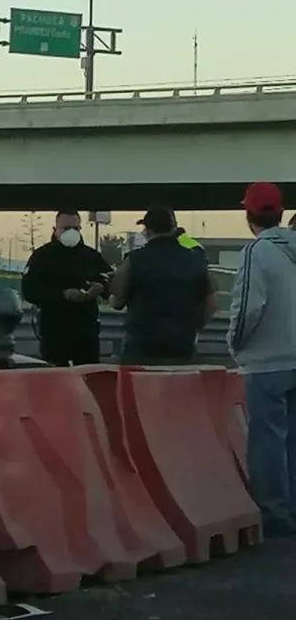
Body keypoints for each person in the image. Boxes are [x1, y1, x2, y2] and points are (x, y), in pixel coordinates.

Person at [227, 181, 296, 537]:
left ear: (249, 214)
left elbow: (247, 309)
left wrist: (235, 345)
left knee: (267, 440)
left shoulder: (257, 253)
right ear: (280, 212)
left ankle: (275, 514)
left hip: (267, 362)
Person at [109, 206, 216, 364]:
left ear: (147, 230)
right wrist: (194, 327)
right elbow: (211, 304)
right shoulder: (195, 260)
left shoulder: (133, 260)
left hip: (141, 348)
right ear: (174, 228)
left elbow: (117, 300)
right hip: (181, 347)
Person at [21, 209, 113, 366]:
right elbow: (29, 291)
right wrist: (63, 295)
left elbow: (109, 281)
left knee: (89, 380)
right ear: (55, 230)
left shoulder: (91, 256)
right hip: (54, 333)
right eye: (66, 228)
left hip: (86, 334)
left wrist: (100, 288)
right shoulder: (42, 256)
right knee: (55, 381)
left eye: (76, 228)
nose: (72, 232)